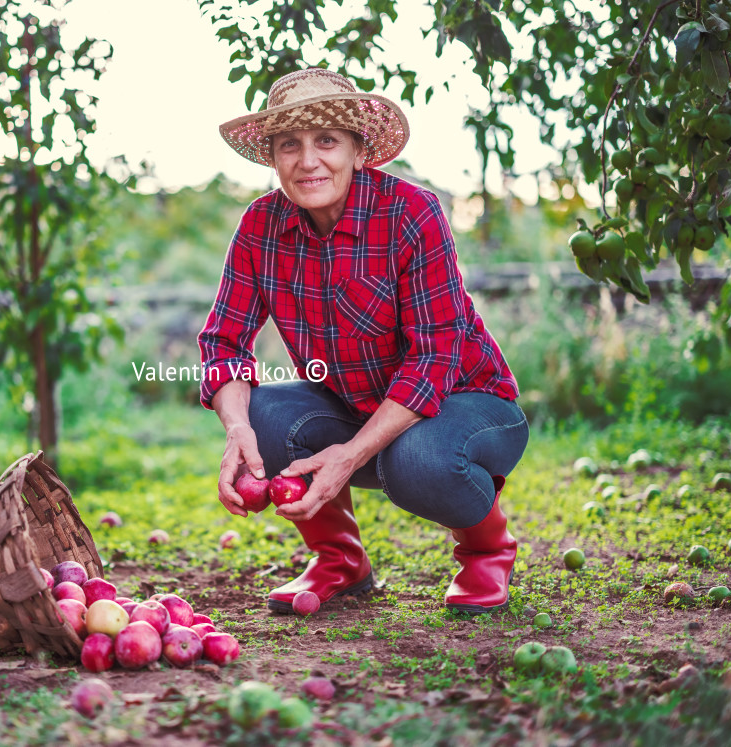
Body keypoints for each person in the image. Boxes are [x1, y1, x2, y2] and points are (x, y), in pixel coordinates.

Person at [197, 68, 529, 615]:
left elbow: (433, 359)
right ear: (273, 159)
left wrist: (349, 457)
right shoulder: (260, 226)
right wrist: (237, 429)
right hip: (359, 406)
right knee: (264, 411)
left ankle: (487, 550)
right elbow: (224, 343)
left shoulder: (410, 213)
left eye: (326, 140)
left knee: (417, 461)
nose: (308, 161)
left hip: (469, 404)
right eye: (290, 145)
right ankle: (340, 559)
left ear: (356, 149)